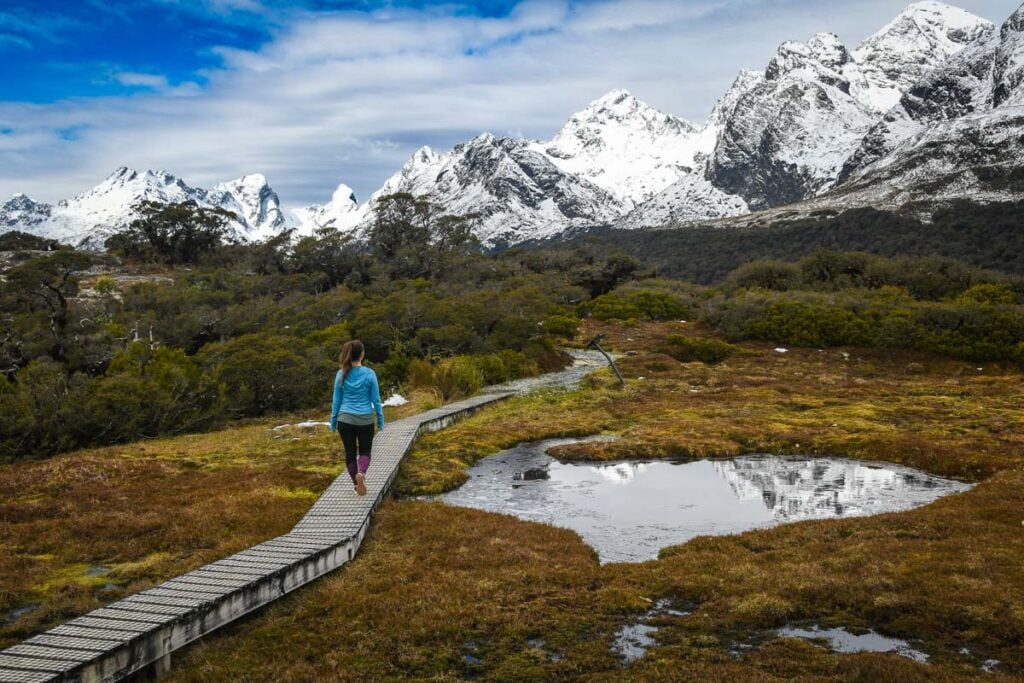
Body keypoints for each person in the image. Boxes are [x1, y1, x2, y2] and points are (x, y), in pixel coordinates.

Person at [329, 340, 385, 496]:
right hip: (365, 419)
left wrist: (333, 421)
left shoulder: (341, 374)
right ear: (362, 354)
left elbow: (336, 400)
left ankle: (356, 484)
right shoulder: (369, 374)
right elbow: (376, 400)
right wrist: (380, 420)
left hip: (344, 420)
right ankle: (362, 473)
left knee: (350, 453)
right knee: (365, 451)